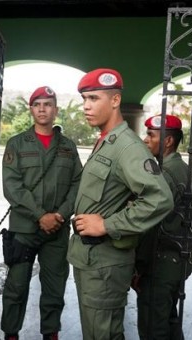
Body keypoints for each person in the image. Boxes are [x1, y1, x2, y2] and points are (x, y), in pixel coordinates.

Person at [67, 68, 174, 339]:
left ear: (115, 100)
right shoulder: (107, 142)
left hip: (106, 262)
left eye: (93, 98)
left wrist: (107, 224)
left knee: (103, 334)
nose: (86, 107)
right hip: (92, 261)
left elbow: (160, 198)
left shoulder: (127, 147)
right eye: (84, 100)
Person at [0, 86, 82, 340]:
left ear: (56, 110)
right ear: (31, 109)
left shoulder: (68, 147)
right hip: (24, 229)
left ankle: (51, 333)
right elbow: (12, 186)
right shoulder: (17, 144)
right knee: (16, 286)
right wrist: (40, 215)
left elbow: (78, 183)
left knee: (55, 286)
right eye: (38, 105)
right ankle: (11, 333)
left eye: (48, 104)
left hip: (57, 230)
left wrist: (60, 215)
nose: (43, 109)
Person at [136, 114, 192, 339]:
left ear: (168, 141)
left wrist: (139, 266)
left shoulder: (162, 174)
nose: (145, 140)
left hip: (159, 263)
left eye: (151, 135)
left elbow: (150, 226)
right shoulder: (189, 173)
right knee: (170, 321)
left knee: (153, 327)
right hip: (179, 261)